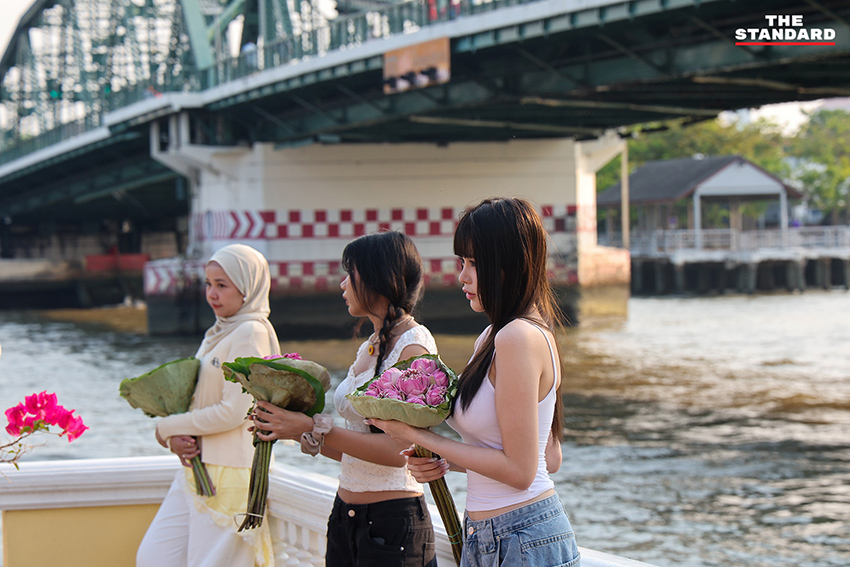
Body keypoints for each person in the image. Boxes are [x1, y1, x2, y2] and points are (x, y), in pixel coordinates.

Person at [368, 198, 581, 567]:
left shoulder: (517, 337)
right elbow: (548, 456)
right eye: (462, 263)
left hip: (521, 535)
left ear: (509, 266)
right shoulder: (492, 338)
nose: (463, 276)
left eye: (475, 264)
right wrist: (441, 459)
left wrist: (417, 436)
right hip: (493, 534)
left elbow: (521, 471)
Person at [250, 231, 439, 567]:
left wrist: (312, 426)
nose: (342, 284)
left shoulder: (413, 346)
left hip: (391, 523)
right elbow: (358, 450)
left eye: (350, 274)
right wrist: (290, 428)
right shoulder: (372, 343)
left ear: (379, 278)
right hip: (345, 516)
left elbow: (400, 452)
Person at [137, 243, 281, 567]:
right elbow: (202, 399)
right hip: (199, 469)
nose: (212, 294)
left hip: (230, 473)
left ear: (247, 289)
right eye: (208, 284)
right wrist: (177, 438)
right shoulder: (218, 332)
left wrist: (166, 427)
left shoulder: (250, 333)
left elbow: (234, 412)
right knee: (153, 558)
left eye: (222, 285)